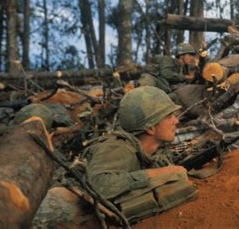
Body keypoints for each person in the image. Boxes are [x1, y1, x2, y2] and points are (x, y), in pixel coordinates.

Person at [84, 86, 197, 222]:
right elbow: (97, 184)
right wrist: (158, 173)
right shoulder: (119, 148)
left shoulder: (149, 148)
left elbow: (168, 155)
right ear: (150, 128)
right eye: (169, 116)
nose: (176, 121)